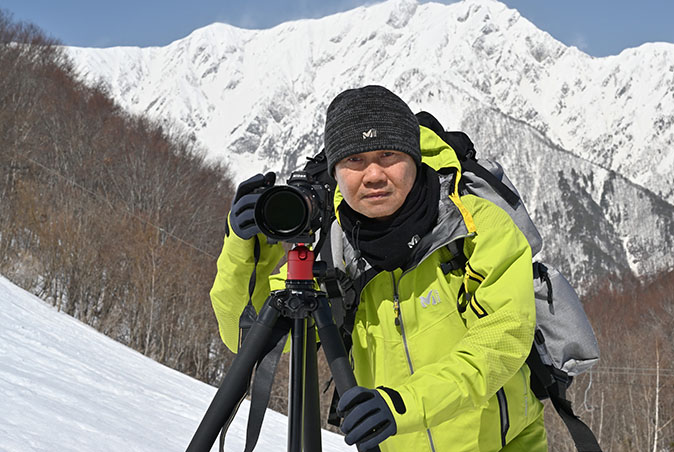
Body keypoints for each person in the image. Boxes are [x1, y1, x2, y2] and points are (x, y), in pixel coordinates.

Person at [210, 85, 547, 452]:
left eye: (387, 154)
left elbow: (502, 340)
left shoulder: (475, 228)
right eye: (354, 159)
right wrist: (243, 249)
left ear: (414, 159)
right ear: (335, 171)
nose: (373, 174)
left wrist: (403, 406)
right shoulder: (332, 250)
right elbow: (245, 340)